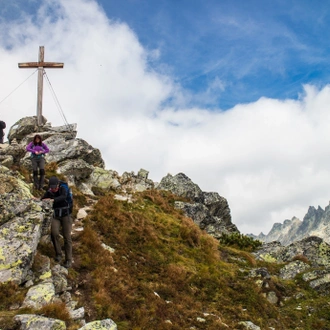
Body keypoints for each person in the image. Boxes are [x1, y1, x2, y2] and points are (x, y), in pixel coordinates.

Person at [41, 176, 73, 268]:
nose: (54, 189)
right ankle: (58, 254)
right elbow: (43, 198)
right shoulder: (50, 190)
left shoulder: (64, 188)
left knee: (67, 237)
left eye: (55, 187)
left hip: (66, 215)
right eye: (52, 187)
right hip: (56, 216)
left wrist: (53, 200)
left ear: (58, 185)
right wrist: (37, 199)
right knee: (54, 233)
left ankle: (68, 260)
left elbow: (63, 197)